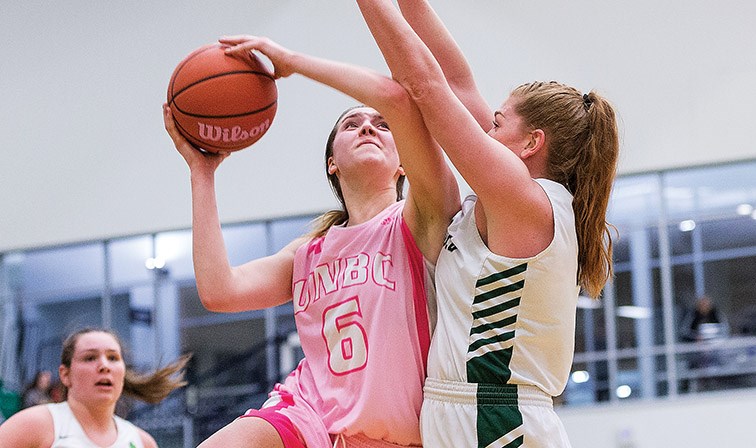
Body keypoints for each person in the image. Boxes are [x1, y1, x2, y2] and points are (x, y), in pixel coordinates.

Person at [162, 33, 460, 447]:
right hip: (311, 411)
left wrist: (295, 61)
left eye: (381, 125)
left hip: (398, 432)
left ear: (404, 162)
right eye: (352, 125)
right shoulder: (311, 250)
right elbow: (219, 290)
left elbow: (402, 100)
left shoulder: (421, 220)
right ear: (332, 163)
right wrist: (202, 173)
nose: (368, 127)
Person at [354, 1, 620, 446]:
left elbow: (426, 86)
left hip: (496, 417)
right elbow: (455, 81)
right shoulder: (516, 188)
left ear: (532, 143)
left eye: (497, 124)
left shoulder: (525, 200)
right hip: (469, 410)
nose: (486, 132)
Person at [0, 327, 190, 448]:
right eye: (90, 357)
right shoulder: (37, 424)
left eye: (113, 357)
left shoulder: (142, 442)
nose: (104, 365)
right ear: (65, 375)